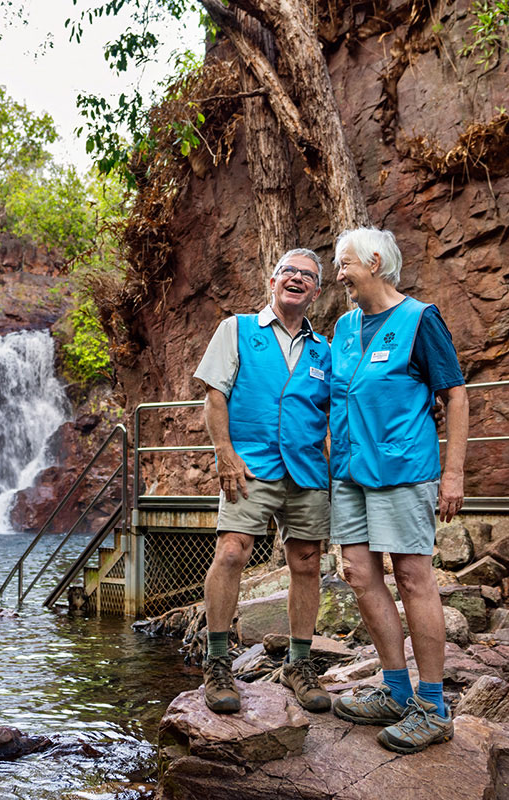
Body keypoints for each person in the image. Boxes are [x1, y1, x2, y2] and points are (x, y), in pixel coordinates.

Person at [326, 227, 468, 754]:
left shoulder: (419, 320)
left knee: (412, 575)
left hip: (404, 470)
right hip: (349, 473)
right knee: (360, 575)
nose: (338, 274)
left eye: (344, 264)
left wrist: (452, 475)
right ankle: (394, 690)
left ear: (376, 262)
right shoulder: (342, 328)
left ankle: (432, 708)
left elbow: (455, 395)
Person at [192, 249, 333, 715]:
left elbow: (329, 416)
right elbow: (215, 397)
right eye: (289, 271)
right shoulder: (237, 330)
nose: (297, 279)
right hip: (250, 466)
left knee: (307, 564)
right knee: (232, 550)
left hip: (307, 471)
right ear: (272, 281)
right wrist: (225, 456)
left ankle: (299, 663)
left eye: (307, 276)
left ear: (316, 291)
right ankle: (217, 663)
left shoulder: (324, 350)